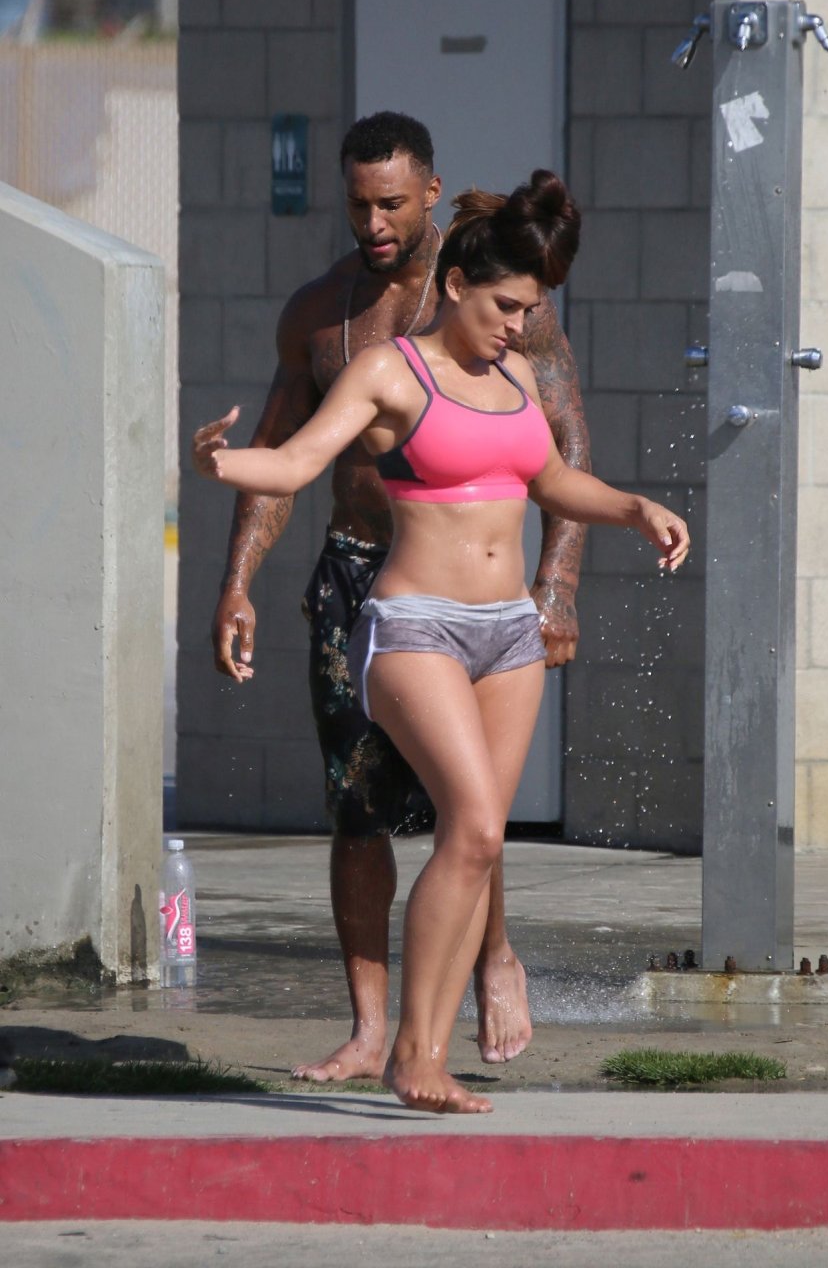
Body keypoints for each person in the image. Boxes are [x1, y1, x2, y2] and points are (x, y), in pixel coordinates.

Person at [193, 169, 690, 1112]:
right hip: (415, 625)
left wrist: (634, 507)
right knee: (471, 826)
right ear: (458, 285)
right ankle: (410, 1055)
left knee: (477, 842)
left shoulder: (513, 377)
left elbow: (550, 481)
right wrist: (219, 464)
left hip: (507, 634)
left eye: (530, 309)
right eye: (506, 306)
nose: (519, 325)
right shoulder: (391, 371)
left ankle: (422, 1053)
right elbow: (296, 461)